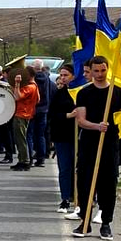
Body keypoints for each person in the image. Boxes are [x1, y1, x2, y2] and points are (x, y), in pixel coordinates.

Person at [69, 55, 121, 240]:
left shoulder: (118, 93)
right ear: (91, 71)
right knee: (86, 182)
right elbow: (81, 120)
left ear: (107, 68)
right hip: (89, 142)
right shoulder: (84, 93)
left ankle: (106, 223)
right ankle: (84, 222)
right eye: (96, 71)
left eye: (103, 70)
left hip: (110, 144)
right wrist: (97, 126)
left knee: (108, 184)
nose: (100, 74)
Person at [48, 64, 78, 213]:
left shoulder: (81, 93)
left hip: (80, 136)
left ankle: (79, 197)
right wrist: (68, 115)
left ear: (73, 76)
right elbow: (52, 115)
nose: (63, 78)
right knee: (65, 168)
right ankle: (65, 199)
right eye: (61, 75)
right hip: (63, 136)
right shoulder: (59, 94)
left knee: (79, 168)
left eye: (66, 75)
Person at [11, 66, 39, 172]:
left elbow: (17, 97)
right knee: (20, 139)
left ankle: (25, 161)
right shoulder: (34, 86)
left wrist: (17, 84)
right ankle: (21, 160)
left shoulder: (30, 87)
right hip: (26, 113)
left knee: (21, 139)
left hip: (22, 114)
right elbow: (38, 99)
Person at [31, 59, 52, 167]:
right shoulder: (47, 77)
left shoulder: (33, 79)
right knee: (41, 135)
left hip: (34, 109)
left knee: (30, 134)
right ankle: (41, 158)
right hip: (44, 109)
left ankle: (29, 158)